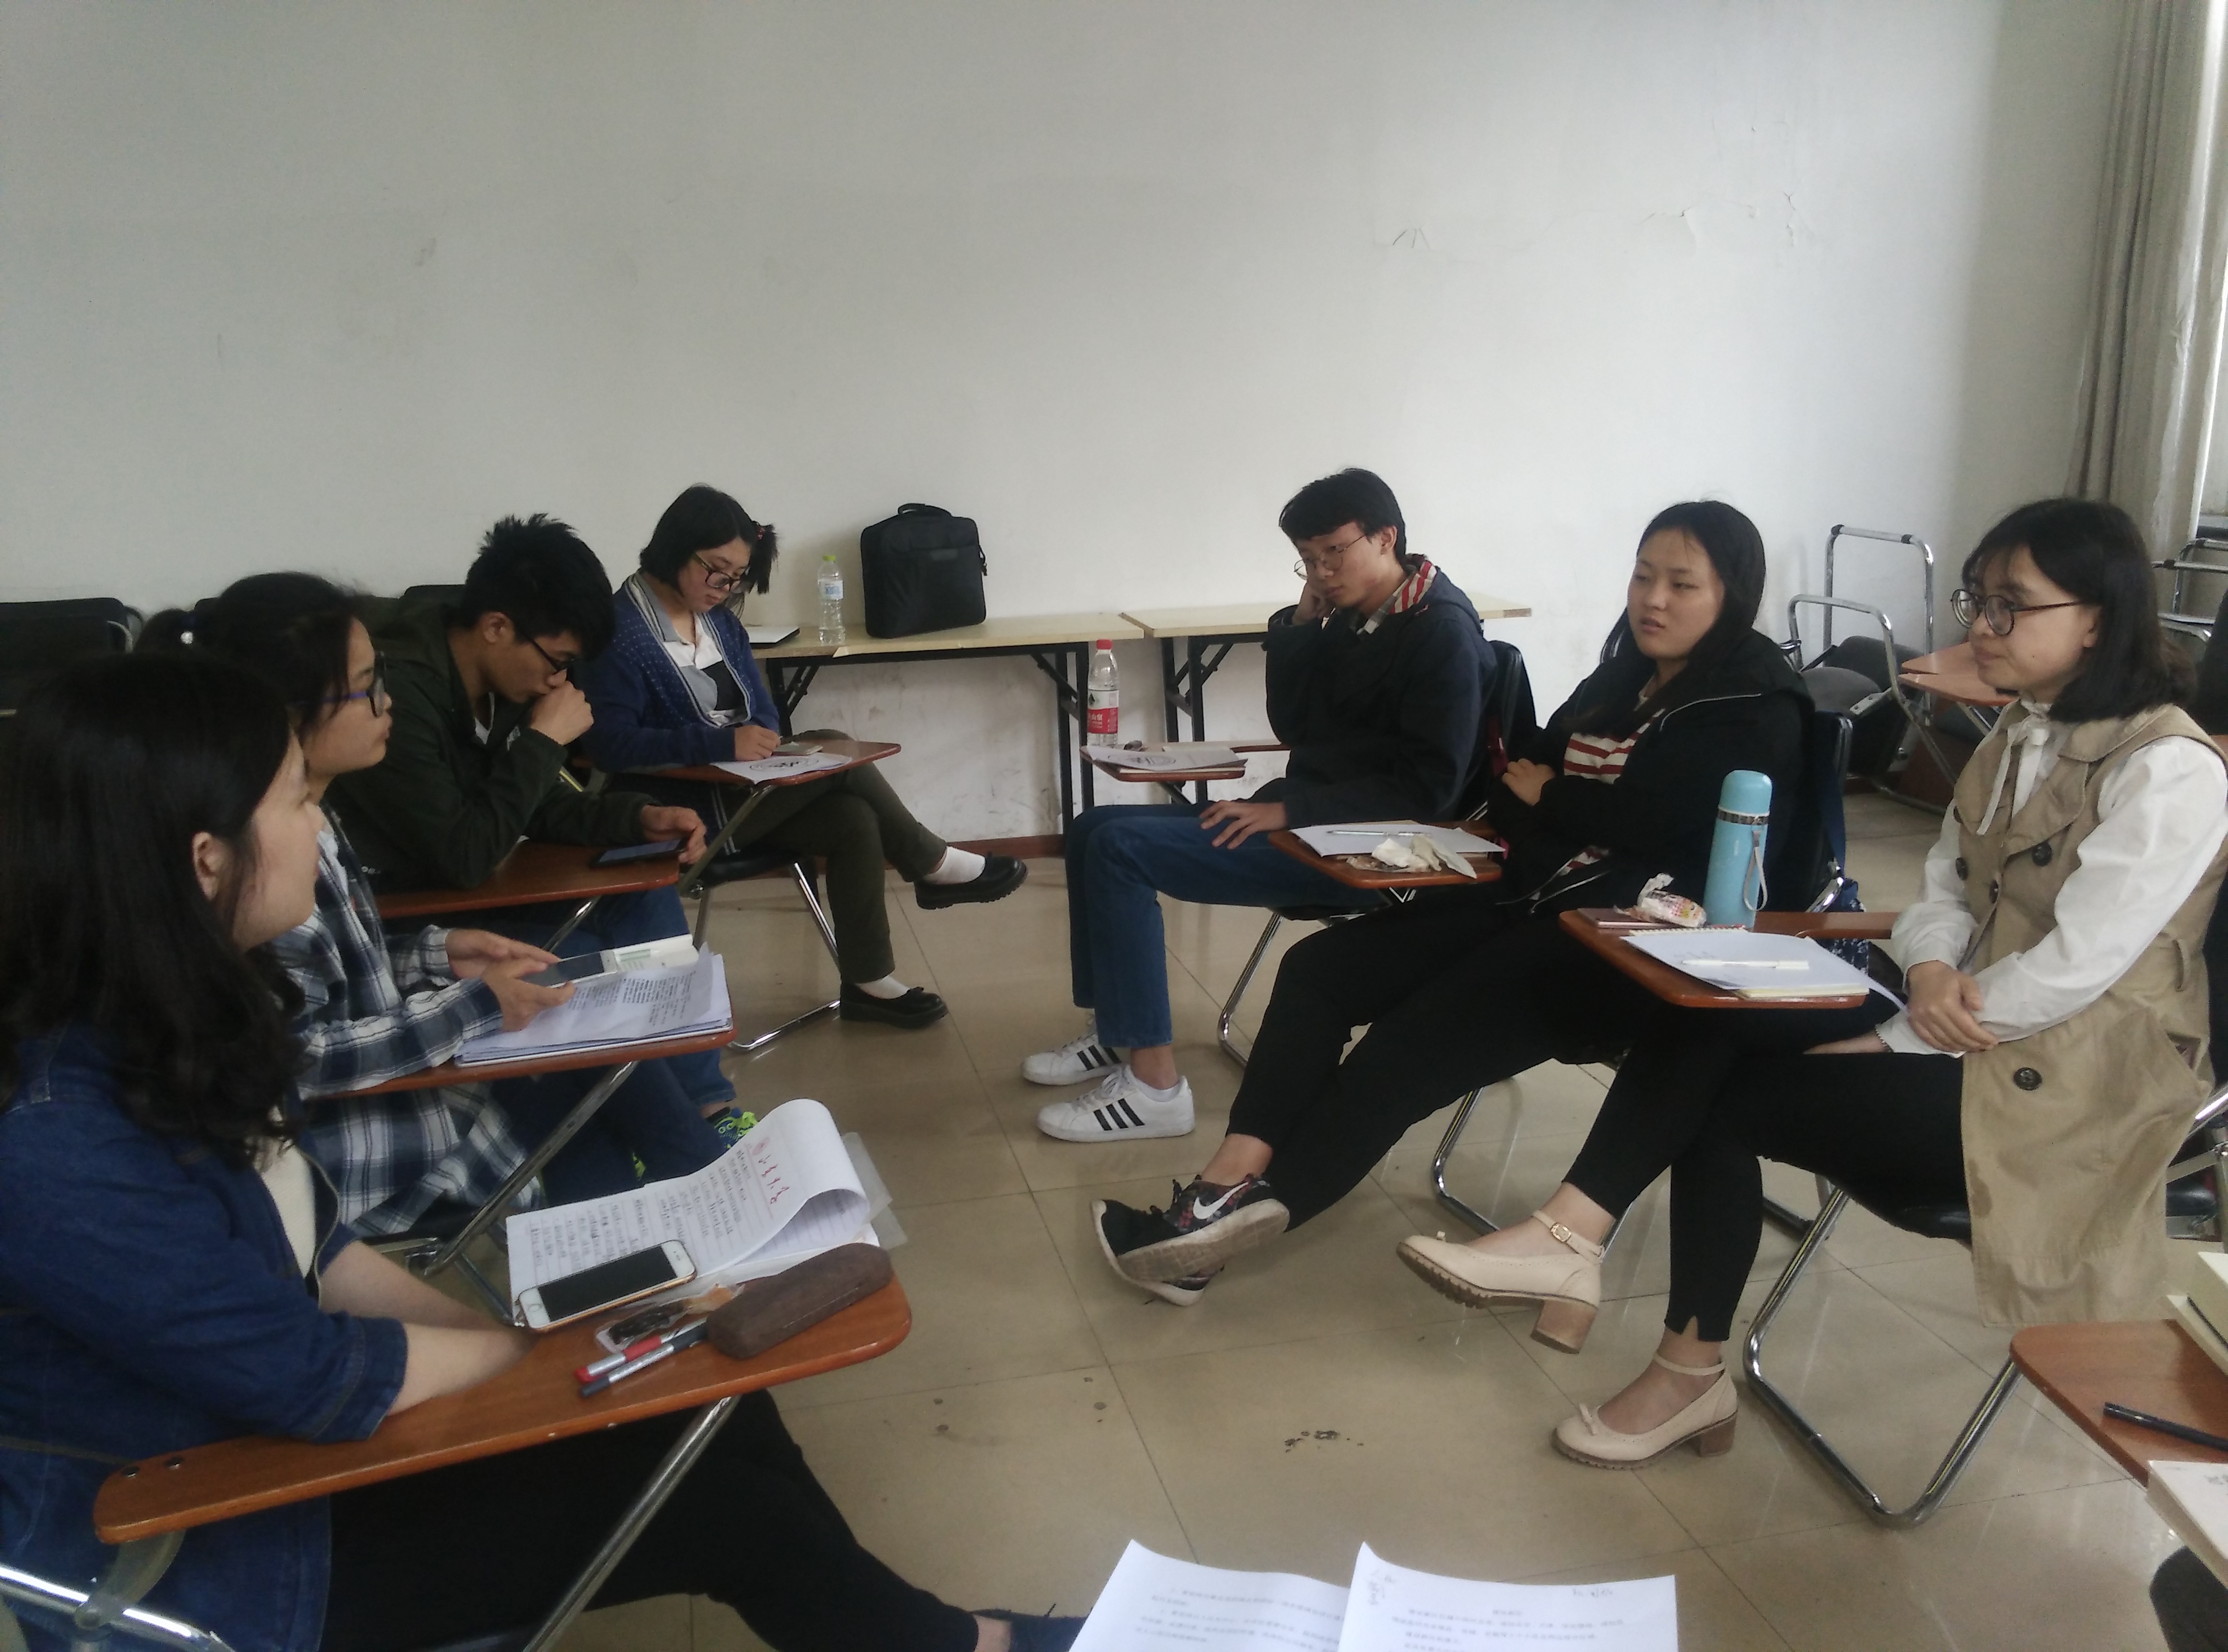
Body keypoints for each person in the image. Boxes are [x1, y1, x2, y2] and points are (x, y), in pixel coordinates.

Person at [0, 651, 1081, 1652]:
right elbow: (315, 1382)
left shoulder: (173, 1015)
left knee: (712, 1408)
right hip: (224, 1547)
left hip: (275, 1455)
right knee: (716, 1495)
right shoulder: (56, 1144)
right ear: (205, 861)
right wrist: (531, 1373)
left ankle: (948, 1640)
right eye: (296, 799)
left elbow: (319, 1247)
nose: (320, 824)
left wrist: (513, 1352)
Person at [1394, 497, 2226, 1469]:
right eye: (1978, 600)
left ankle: (1656, 1340)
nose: (1979, 627)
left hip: (2074, 1085)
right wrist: (1926, 966)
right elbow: (1940, 887)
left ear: (2097, 619)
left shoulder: (2167, 772)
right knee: (1716, 1000)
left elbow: (2077, 971)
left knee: (1715, 1092)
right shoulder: (2017, 732)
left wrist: (1898, 1031)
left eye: (2011, 606)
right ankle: (1586, 1257)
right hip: (1964, 1016)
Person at [1092, 500, 1810, 1307]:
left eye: (1682, 584)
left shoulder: (1755, 708)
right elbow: (1516, 781)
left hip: (1616, 945)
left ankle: (1205, 1245)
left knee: (1406, 1047)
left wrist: (1558, 800)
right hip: (1521, 896)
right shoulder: (1623, 676)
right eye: (1644, 577)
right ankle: (1226, 1183)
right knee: (1319, 970)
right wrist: (1560, 809)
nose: (1653, 600)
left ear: (1732, 595)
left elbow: (1673, 841)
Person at [143, 574, 732, 1233]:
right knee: (585, 1077)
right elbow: (291, 1057)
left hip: (394, 1088)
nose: (387, 699)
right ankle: (707, 1197)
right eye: (367, 684)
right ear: (288, 712)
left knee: (584, 1043)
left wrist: (437, 952)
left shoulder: (310, 813)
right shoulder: (260, 867)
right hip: (371, 1143)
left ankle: (685, 1206)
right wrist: (475, 1006)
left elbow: (341, 968)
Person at [1025, 468, 1492, 1144]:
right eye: (1307, 559)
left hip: (1368, 848)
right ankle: (1118, 1029)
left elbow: (1428, 791)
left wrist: (1288, 814)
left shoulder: (1440, 631)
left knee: (1120, 851)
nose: (1322, 572)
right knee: (1092, 828)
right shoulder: (1359, 615)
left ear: (1385, 538)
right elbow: (1298, 726)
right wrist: (1301, 626)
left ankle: (1155, 1089)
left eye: (1334, 552)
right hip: (1312, 819)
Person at [577, 484, 1025, 1032]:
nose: (724, 587)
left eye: (736, 577)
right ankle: (931, 864)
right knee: (834, 743)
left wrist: (763, 741)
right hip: (681, 814)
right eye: (715, 570)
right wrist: (720, 745)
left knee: (851, 818)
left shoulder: (719, 622)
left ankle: (868, 983)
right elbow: (609, 745)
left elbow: (763, 710)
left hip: (746, 789)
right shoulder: (618, 633)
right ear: (675, 549)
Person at [330, 513, 735, 1117]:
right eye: (556, 661)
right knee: (592, 957)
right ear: (497, 627)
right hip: (414, 905)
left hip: (481, 881)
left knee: (643, 888)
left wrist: (637, 818)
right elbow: (462, 856)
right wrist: (544, 741)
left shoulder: (504, 684)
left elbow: (540, 804)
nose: (559, 681)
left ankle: (707, 1106)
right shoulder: (400, 698)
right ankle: (657, 1122)